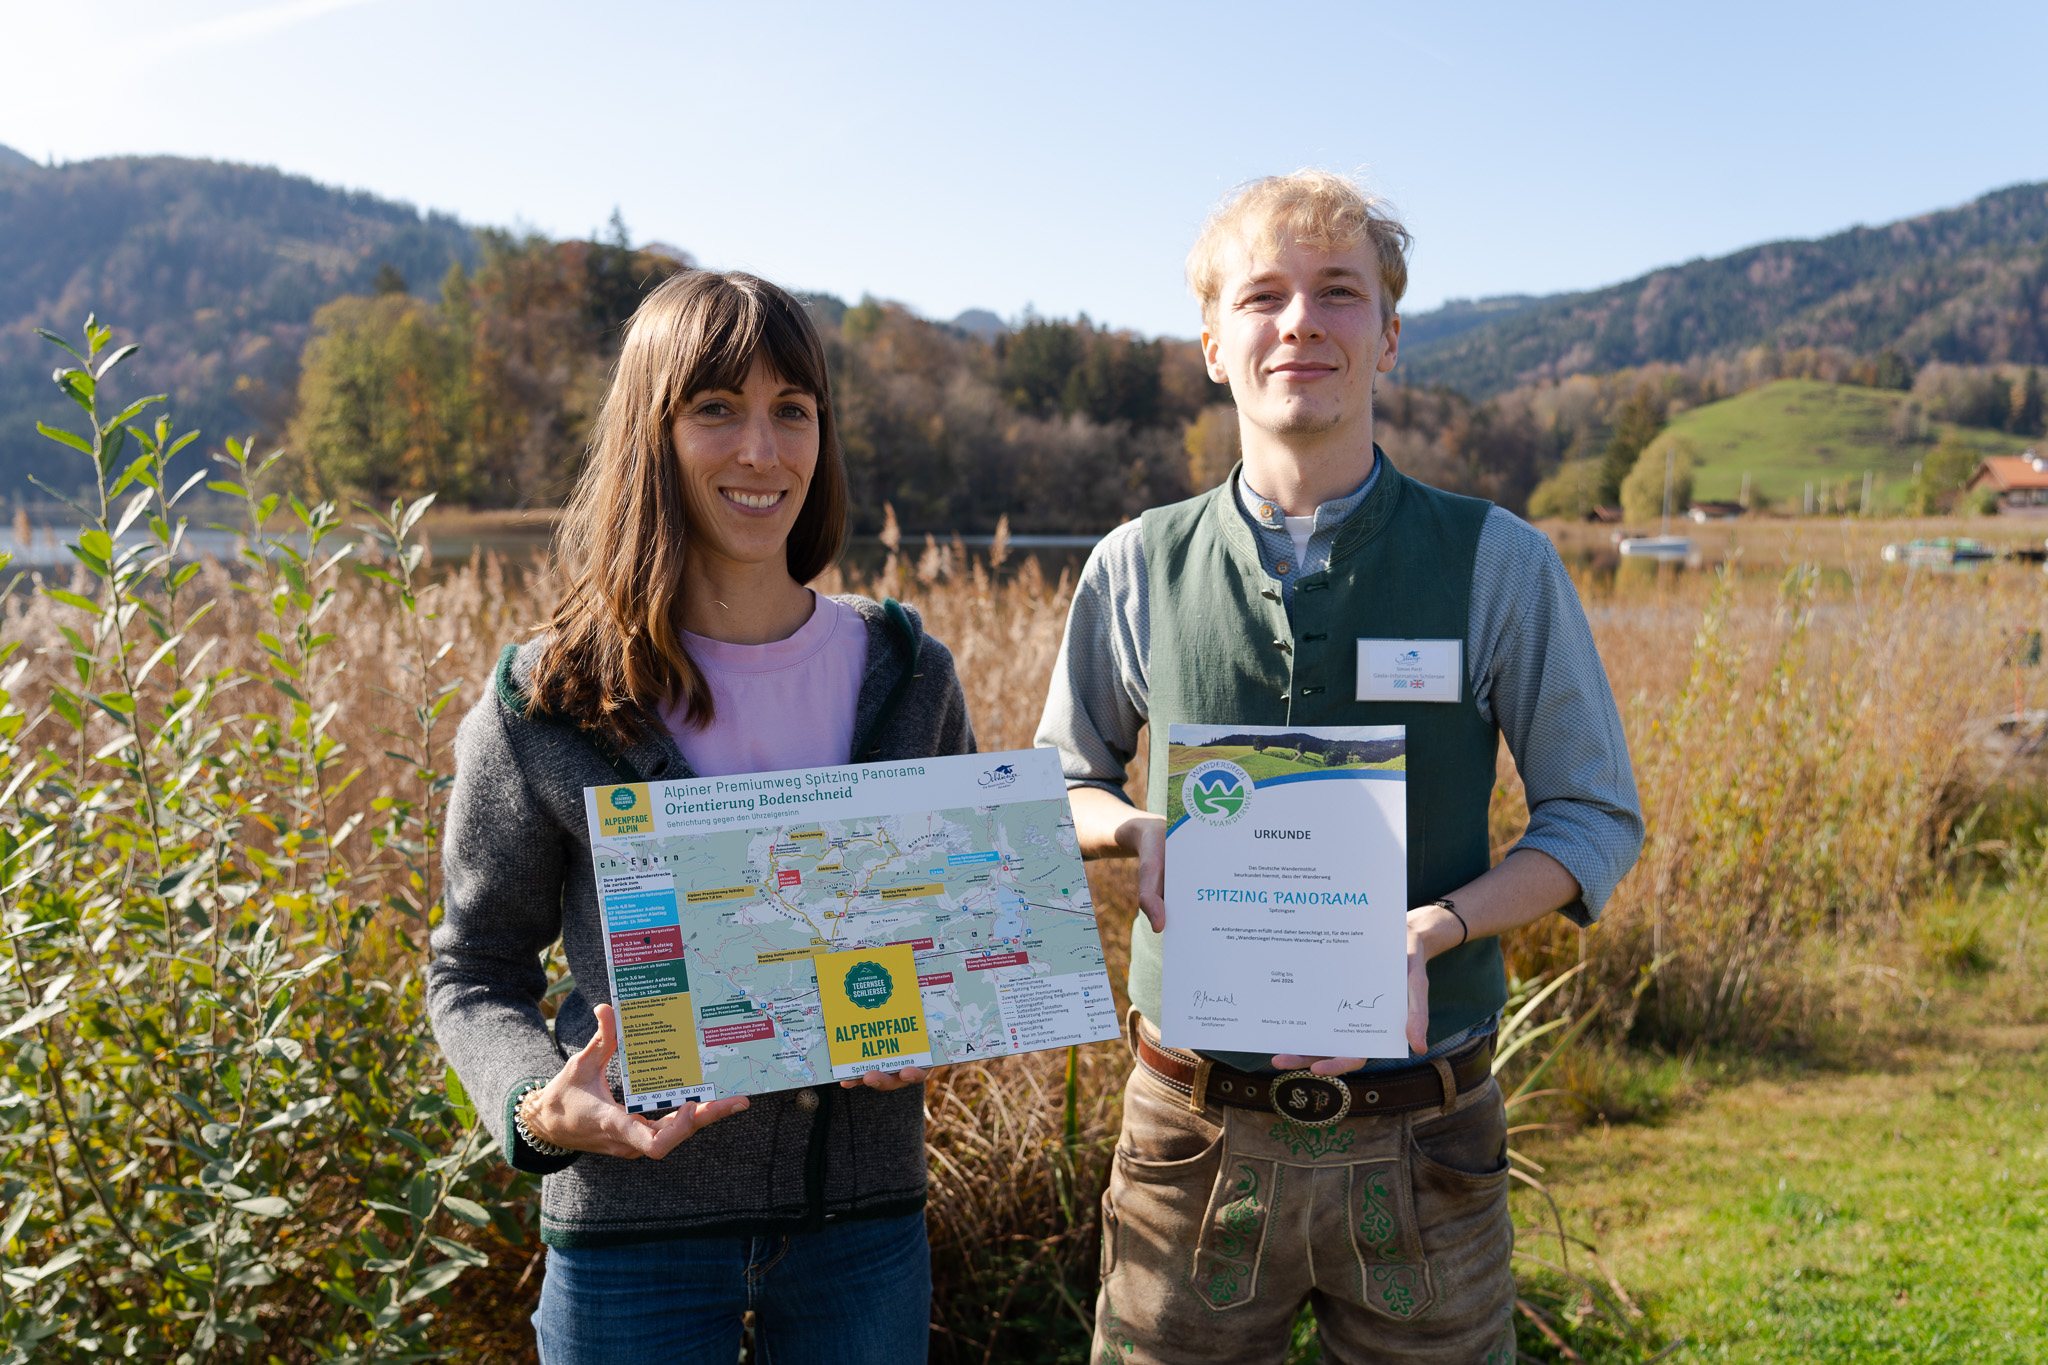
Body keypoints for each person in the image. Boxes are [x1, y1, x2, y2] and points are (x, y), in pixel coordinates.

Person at [1035, 172, 1644, 1363]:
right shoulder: (1133, 565)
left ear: (1389, 337)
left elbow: (1591, 821)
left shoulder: (1496, 562)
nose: (1300, 321)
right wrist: (1125, 831)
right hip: (1189, 1136)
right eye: (1261, 295)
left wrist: (1436, 929)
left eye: (1337, 294)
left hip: (1424, 1140)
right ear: (1214, 344)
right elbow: (1061, 785)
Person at [428, 269, 973, 1364]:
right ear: (651, 432)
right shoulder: (547, 697)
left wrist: (940, 1022)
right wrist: (536, 1109)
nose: (760, 451)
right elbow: (473, 967)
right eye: (715, 409)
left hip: (860, 1233)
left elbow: (951, 943)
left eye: (792, 411)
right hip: (631, 1237)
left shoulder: (910, 676)